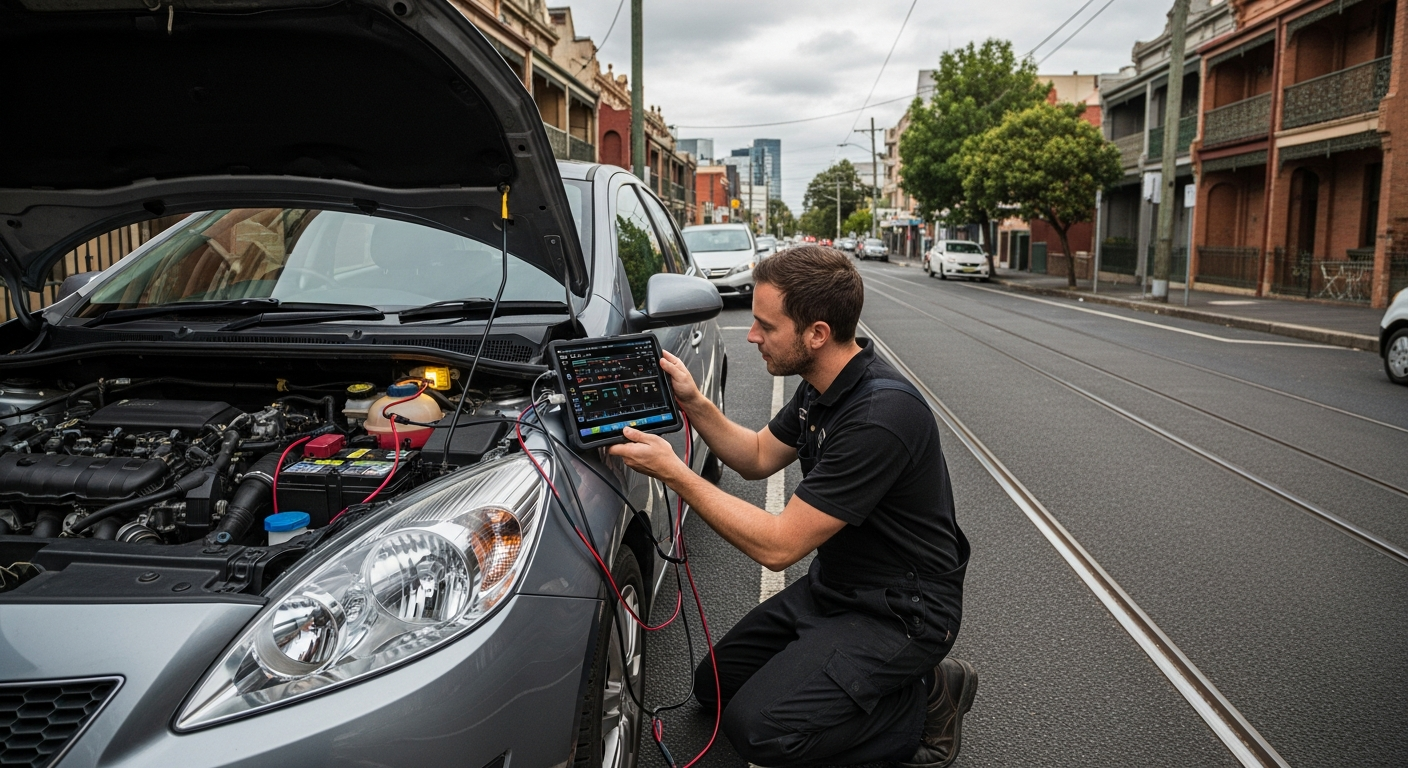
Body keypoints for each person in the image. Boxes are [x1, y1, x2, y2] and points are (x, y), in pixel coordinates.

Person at [607, 245, 975, 767]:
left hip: (901, 612)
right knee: (713, 686)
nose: (752, 335)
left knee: (760, 731)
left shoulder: (879, 415)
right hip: (836, 590)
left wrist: (675, 472)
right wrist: (692, 399)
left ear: (816, 334)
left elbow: (778, 546)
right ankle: (848, 677)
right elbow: (756, 456)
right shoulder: (824, 385)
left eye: (765, 325)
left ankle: (927, 700)